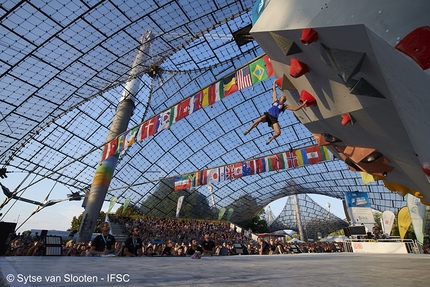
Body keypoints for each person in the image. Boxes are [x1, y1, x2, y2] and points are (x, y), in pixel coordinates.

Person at [243, 80, 308, 145]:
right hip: (268, 115)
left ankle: (270, 139)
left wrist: (302, 104)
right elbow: (274, 90)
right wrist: (274, 83)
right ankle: (248, 130)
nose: (284, 96)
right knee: (259, 120)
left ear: (285, 100)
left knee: (278, 133)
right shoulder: (275, 100)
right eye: (283, 96)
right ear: (280, 98)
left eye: (284, 98)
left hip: (273, 119)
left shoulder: (285, 106)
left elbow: (295, 109)